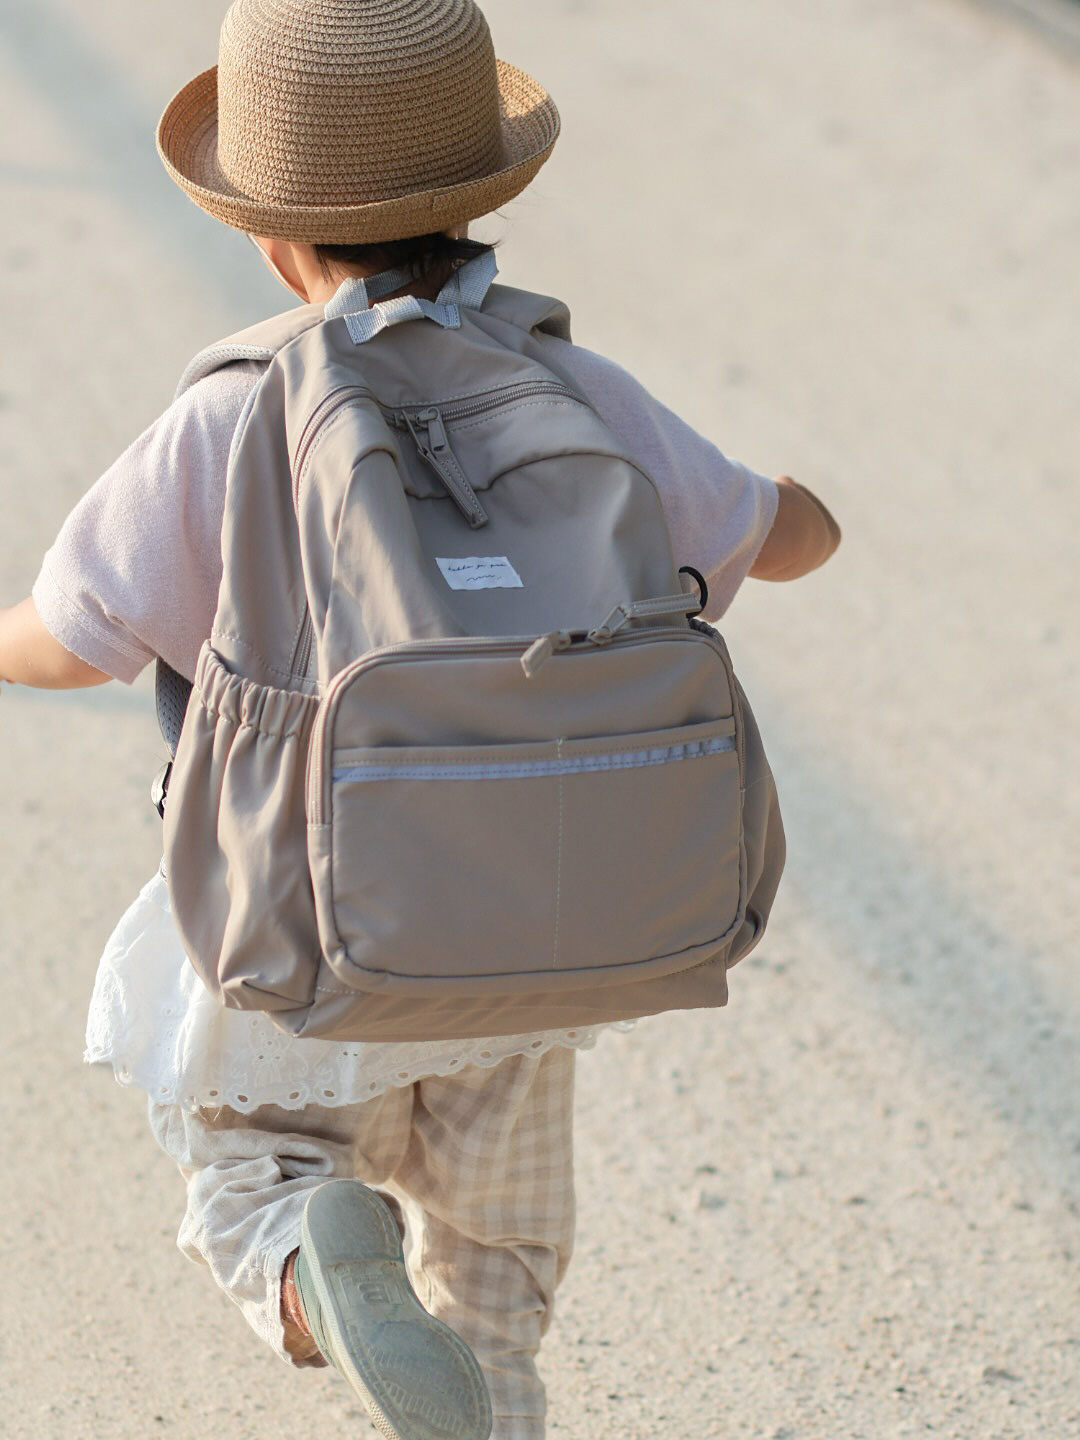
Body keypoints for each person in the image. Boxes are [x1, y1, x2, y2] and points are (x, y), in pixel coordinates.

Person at [0, 2, 841, 1438]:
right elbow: (782, 537)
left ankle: (307, 1276)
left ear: (268, 236)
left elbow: (72, 640)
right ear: (487, 198)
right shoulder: (568, 384)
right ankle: (493, 1388)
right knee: (494, 1284)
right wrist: (781, 513)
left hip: (310, 935)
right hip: (537, 936)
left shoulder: (241, 411)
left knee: (256, 1174)